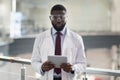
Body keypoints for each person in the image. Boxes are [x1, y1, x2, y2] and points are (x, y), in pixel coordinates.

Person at [31, 4, 86, 80]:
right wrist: (42, 67)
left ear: (66, 18)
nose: (59, 20)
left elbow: (82, 64)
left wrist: (73, 68)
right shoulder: (40, 38)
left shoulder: (77, 38)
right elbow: (34, 62)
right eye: (55, 17)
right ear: (50, 18)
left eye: (62, 17)